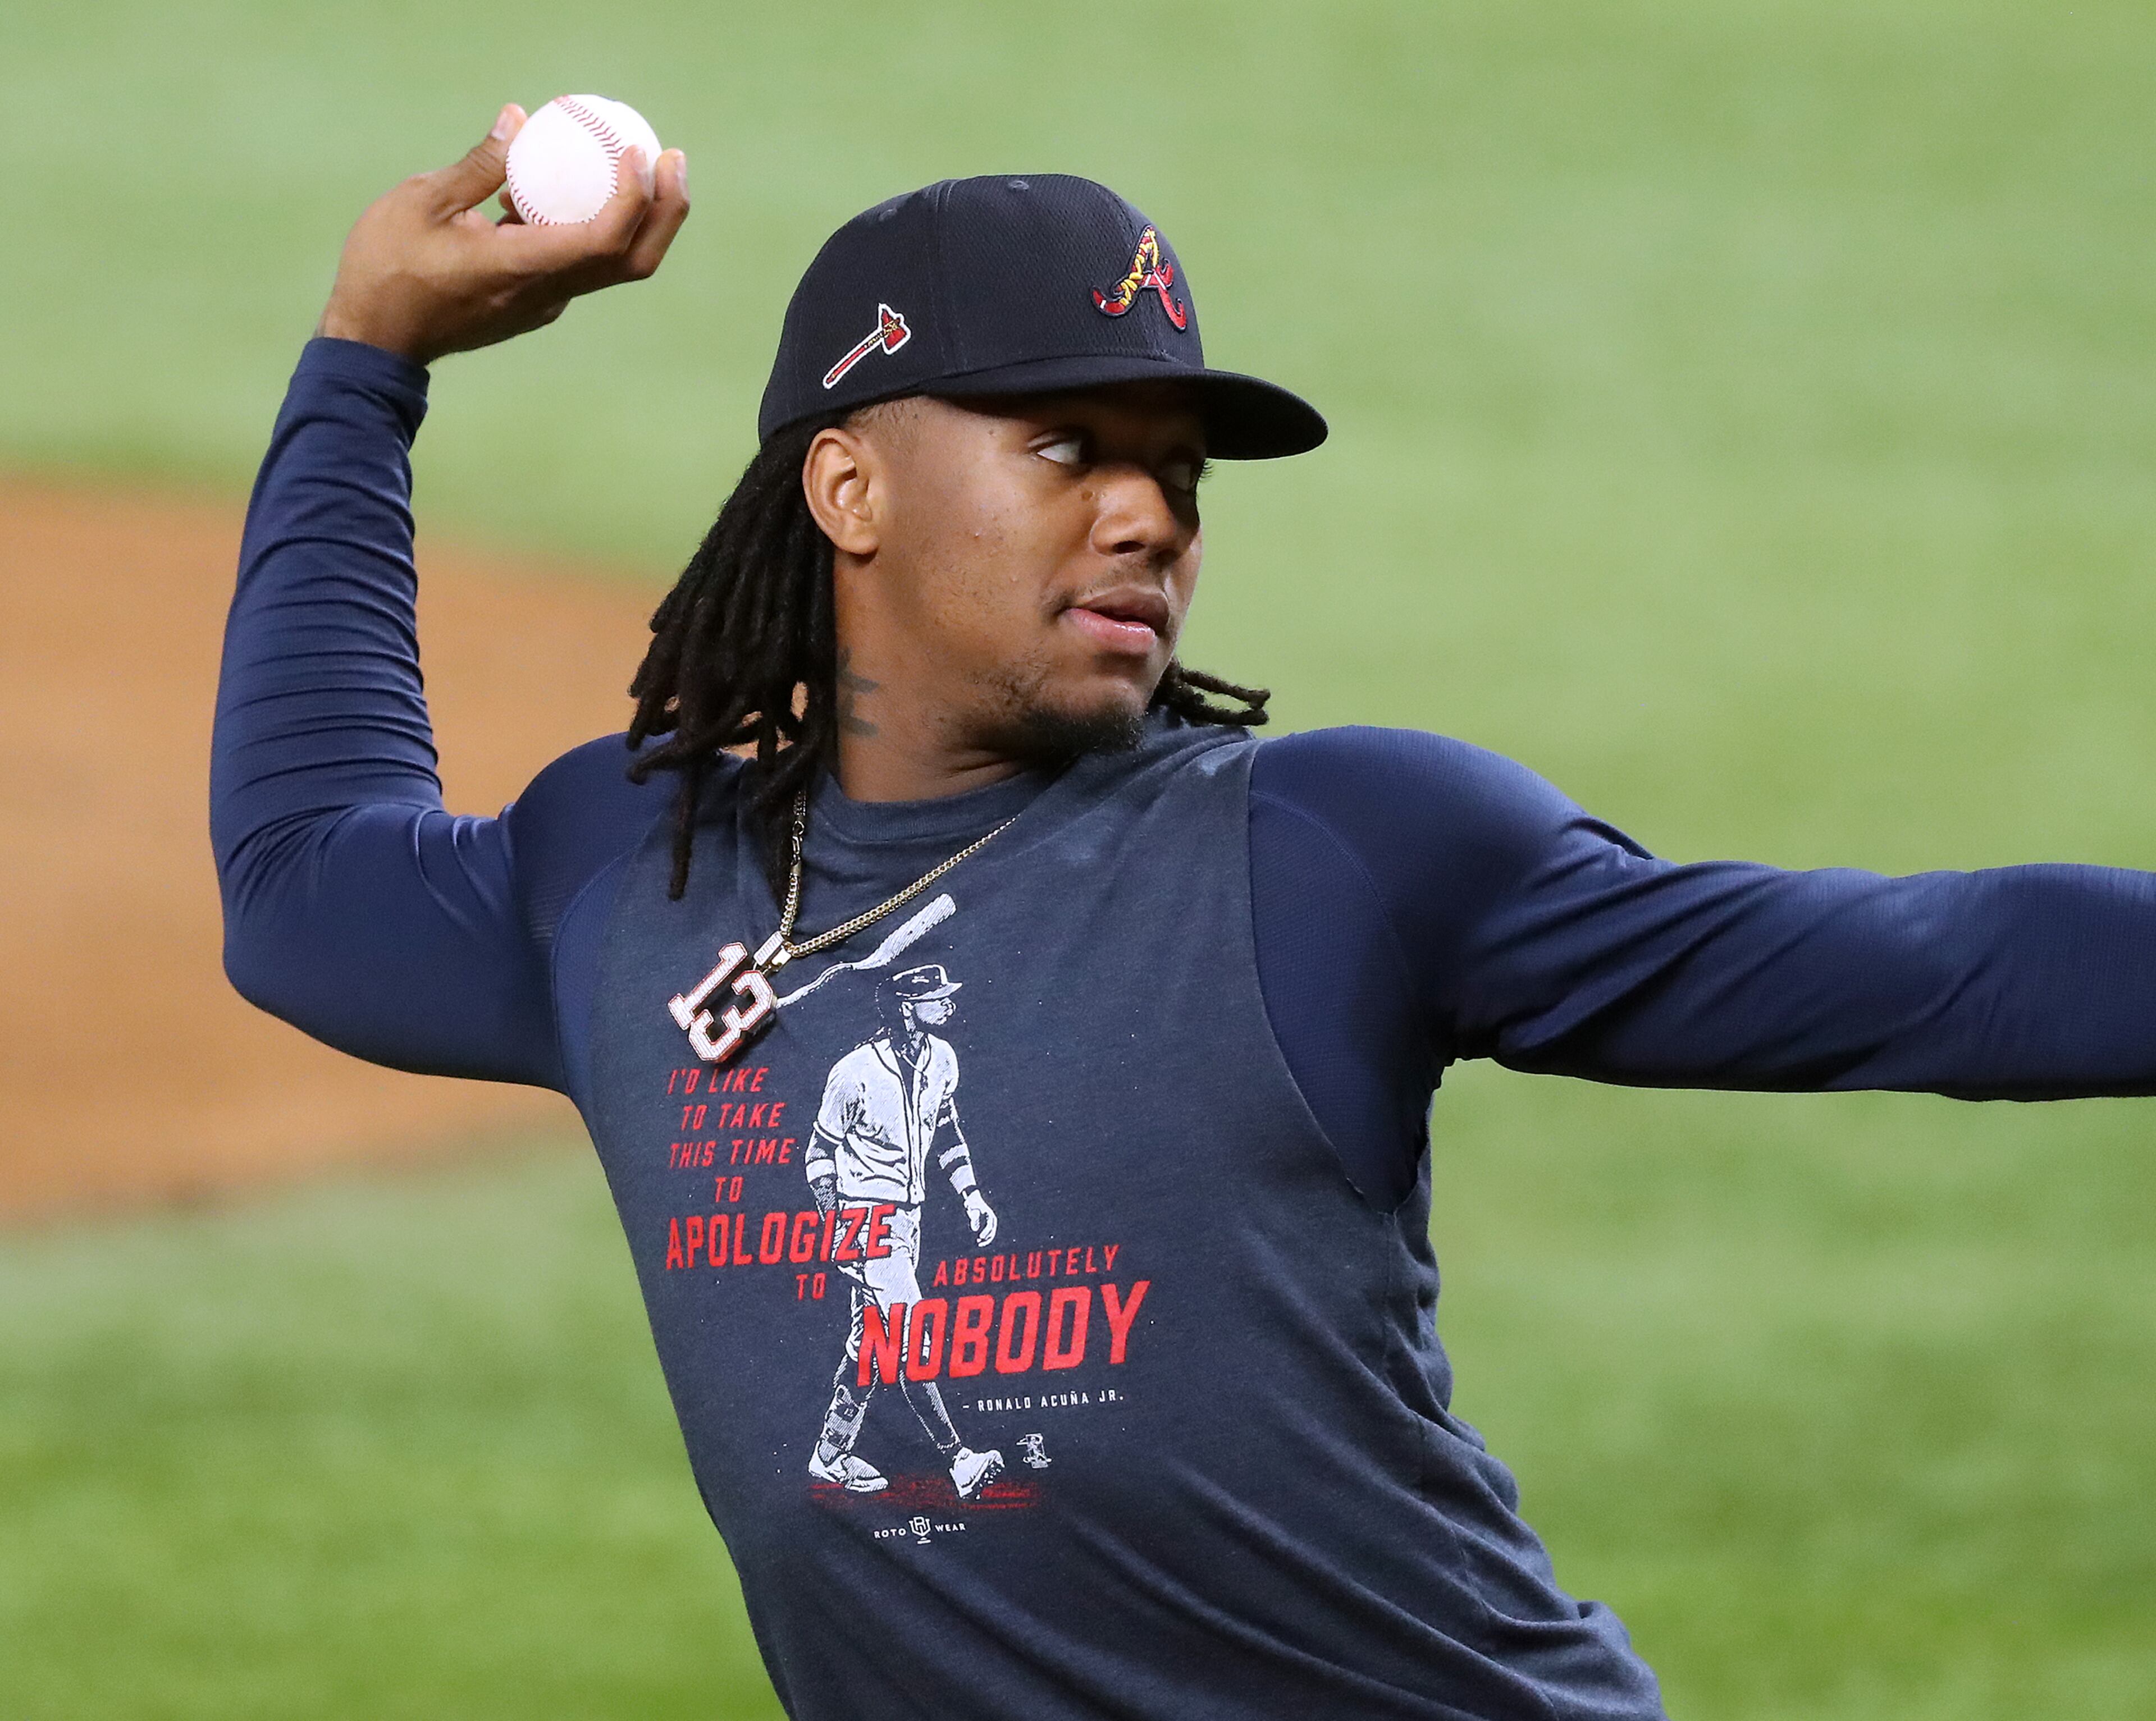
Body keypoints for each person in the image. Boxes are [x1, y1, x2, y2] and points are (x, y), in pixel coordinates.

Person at [211, 104, 2156, 1720]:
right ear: (849, 483)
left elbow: (1937, 969)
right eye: (1067, 449)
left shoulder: (1332, 850)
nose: (1150, 514)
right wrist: (367, 361)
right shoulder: (628, 878)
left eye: (1178, 471)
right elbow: (305, 888)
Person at [804, 963, 1004, 1500]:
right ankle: (958, 1458)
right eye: (936, 998)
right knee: (910, 1335)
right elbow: (819, 1154)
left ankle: (830, 1455)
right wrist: (836, 1226)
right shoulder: (854, 1071)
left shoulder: (943, 1058)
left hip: (910, 1218)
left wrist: (971, 1195)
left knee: (869, 1345)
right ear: (904, 1007)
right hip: (865, 1217)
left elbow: (946, 1128)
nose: (947, 1004)